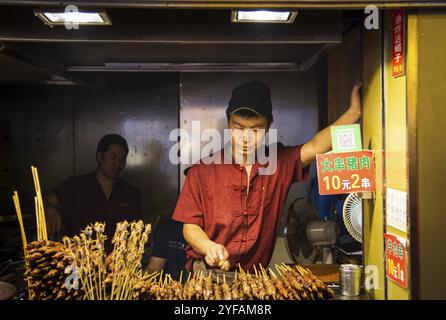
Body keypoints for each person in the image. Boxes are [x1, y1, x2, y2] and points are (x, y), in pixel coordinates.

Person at [172, 80, 362, 273]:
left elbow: (316, 146)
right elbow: (190, 227)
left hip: (255, 278)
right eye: (238, 127)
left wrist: (353, 112)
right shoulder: (202, 171)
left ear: (268, 126)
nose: (246, 138)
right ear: (229, 122)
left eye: (255, 130)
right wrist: (209, 247)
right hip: (207, 273)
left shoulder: (279, 163)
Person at [45, 134, 143, 247]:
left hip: (117, 262)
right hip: (77, 260)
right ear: (99, 156)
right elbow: (43, 201)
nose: (118, 164)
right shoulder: (76, 185)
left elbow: (137, 233)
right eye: (113, 157)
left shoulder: (132, 194)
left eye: (122, 159)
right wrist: (49, 209)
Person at [147, 218, 187, 282]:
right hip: (173, 285)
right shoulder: (169, 227)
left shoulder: (205, 230)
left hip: (199, 286)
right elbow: (153, 271)